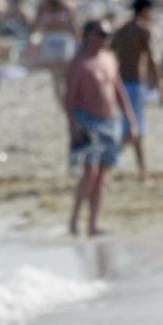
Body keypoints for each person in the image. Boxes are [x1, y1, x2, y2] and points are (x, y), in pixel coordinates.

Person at [64, 20, 137, 239]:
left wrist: (130, 120)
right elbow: (69, 99)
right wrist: (73, 127)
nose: (105, 39)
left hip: (110, 122)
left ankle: (93, 224)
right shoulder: (80, 64)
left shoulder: (109, 59)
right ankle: (75, 220)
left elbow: (118, 90)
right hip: (87, 121)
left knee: (102, 175)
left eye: (108, 35)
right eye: (101, 34)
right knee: (90, 173)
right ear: (88, 35)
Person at [109, 0, 162, 180]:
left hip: (121, 81)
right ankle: (136, 169)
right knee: (135, 129)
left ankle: (140, 169)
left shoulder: (122, 30)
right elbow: (152, 58)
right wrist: (159, 82)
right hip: (137, 83)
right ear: (145, 10)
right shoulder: (143, 30)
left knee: (130, 126)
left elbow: (110, 51)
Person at [31, 0, 78, 108]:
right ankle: (67, 100)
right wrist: (78, 39)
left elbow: (35, 24)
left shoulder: (43, 5)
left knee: (55, 75)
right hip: (64, 39)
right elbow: (73, 24)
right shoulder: (66, 3)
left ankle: (60, 102)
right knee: (66, 73)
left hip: (50, 39)